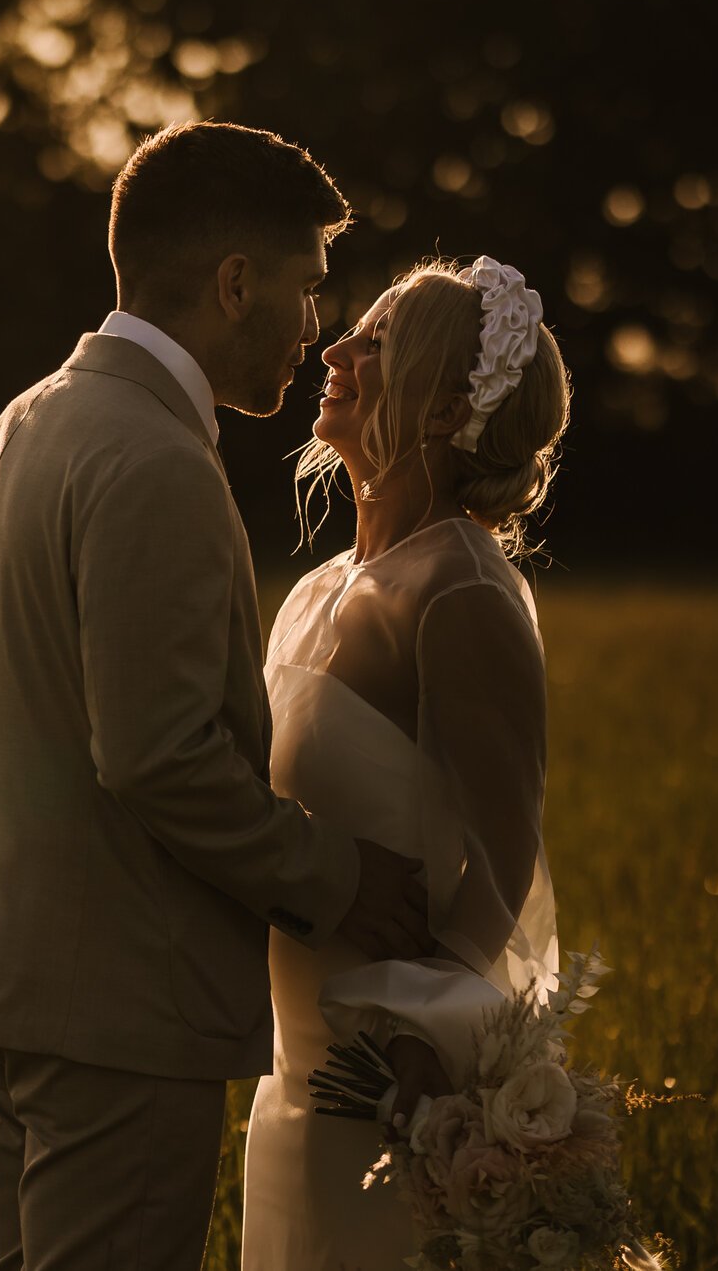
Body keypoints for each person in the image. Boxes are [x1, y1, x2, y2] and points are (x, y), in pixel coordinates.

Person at [0, 121, 433, 1271]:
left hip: (4, 982)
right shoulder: (155, 459)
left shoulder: (14, 429)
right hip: (123, 1009)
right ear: (234, 282)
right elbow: (157, 756)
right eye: (304, 289)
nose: (315, 328)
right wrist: (339, 877)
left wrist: (50, 835)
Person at [238, 255, 571, 1269]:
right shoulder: (316, 587)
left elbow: (505, 858)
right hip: (293, 1067)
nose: (335, 349)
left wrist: (420, 1032)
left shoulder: (461, 590)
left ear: (440, 413)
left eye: (376, 342)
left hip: (391, 1081)